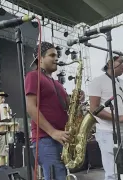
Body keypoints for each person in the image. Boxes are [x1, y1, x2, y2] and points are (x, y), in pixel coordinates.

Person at [25, 41, 84, 180]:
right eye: (52, 55)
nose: (56, 58)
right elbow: (31, 107)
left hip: (61, 138)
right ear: (40, 58)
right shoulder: (33, 76)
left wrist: (77, 100)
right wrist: (52, 132)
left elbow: (70, 107)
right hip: (46, 139)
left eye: (57, 55)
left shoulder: (57, 83)